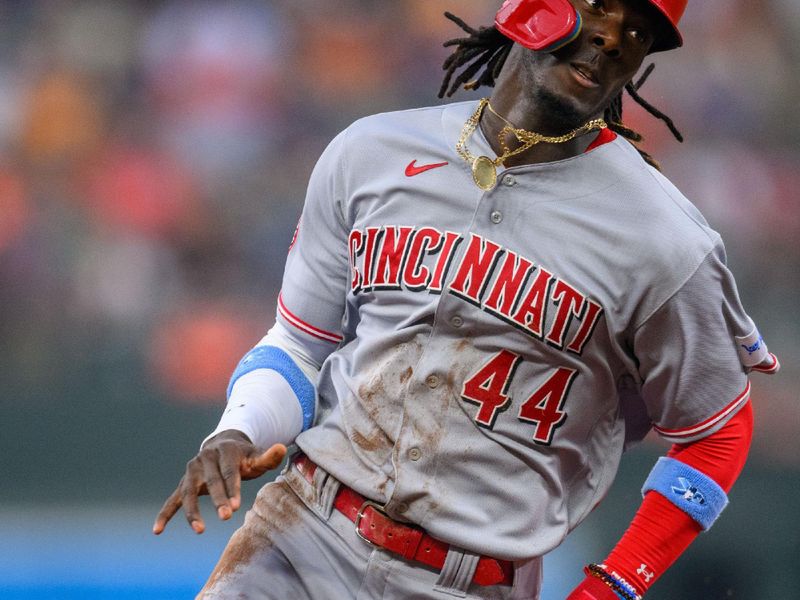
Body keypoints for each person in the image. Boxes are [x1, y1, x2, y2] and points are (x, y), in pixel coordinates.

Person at [153, 1, 780, 598]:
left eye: (639, 32)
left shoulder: (665, 239)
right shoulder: (371, 153)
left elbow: (718, 432)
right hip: (302, 535)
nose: (614, 38)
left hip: (471, 583)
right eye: (597, 6)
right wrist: (235, 430)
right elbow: (298, 344)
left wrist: (614, 585)